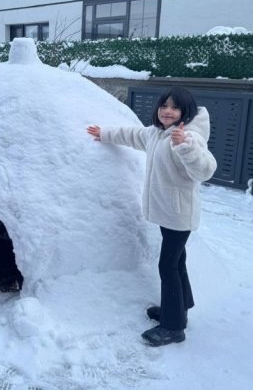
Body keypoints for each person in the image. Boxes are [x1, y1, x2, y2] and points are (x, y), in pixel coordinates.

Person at [86, 87, 217, 346]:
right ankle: (179, 308)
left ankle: (173, 327)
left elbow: (206, 169)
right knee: (177, 263)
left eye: (175, 107)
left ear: (185, 113)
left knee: (167, 266)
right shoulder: (155, 134)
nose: (167, 111)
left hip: (179, 216)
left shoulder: (189, 137)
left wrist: (186, 147)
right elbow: (131, 135)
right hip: (166, 214)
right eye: (164, 106)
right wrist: (104, 134)